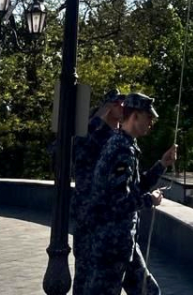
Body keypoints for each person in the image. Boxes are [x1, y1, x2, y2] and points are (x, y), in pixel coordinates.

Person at [82, 91, 177, 295]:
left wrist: (161, 165)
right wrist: (150, 201)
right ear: (135, 116)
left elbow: (134, 187)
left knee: (149, 291)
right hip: (111, 244)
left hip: (124, 241)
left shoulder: (126, 144)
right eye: (148, 117)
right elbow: (119, 202)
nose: (151, 123)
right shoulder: (121, 149)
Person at [72, 90, 126, 295]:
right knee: (84, 269)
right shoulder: (94, 133)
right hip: (87, 212)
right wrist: (98, 118)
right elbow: (76, 149)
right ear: (108, 107)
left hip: (108, 217)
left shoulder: (120, 136)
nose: (123, 107)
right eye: (118, 103)